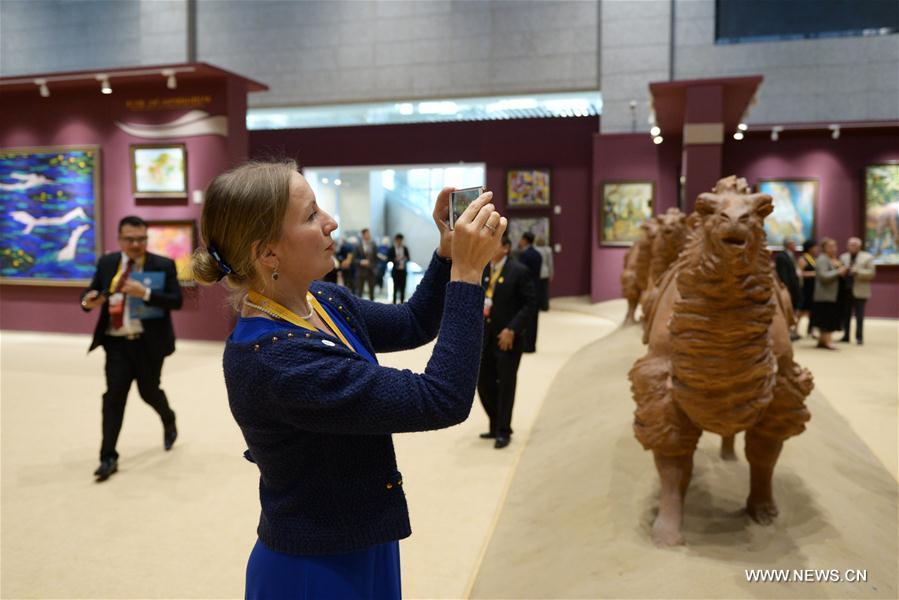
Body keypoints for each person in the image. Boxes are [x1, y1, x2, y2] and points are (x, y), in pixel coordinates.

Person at [190, 160, 505, 599]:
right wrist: (468, 276)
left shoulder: (322, 300)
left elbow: (414, 321)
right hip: (315, 567)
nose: (331, 222)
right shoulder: (277, 363)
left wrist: (448, 254)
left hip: (360, 539)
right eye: (311, 214)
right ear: (267, 253)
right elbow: (441, 398)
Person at [80, 215, 182, 481]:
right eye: (130, 239)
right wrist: (88, 301)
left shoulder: (162, 264)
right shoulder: (107, 263)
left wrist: (145, 293)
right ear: (119, 239)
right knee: (114, 398)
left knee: (149, 392)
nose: (136, 244)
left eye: (141, 239)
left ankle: (168, 418)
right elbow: (92, 292)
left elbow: (176, 301)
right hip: (116, 343)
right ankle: (108, 457)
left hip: (149, 344)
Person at [477, 235, 537, 449]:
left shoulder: (519, 271)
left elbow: (530, 304)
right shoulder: (484, 270)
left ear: (505, 248)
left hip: (507, 339)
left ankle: (503, 430)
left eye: (494, 244)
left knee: (505, 384)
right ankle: (494, 423)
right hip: (484, 337)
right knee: (483, 383)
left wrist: (512, 329)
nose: (489, 247)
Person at [839, 237, 877, 345]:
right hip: (846, 290)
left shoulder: (867, 257)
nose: (852, 247)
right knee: (846, 315)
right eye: (850, 245)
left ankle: (859, 337)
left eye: (854, 245)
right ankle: (846, 336)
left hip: (860, 290)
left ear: (859, 246)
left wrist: (857, 271)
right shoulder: (843, 257)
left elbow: (871, 273)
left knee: (859, 316)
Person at [812, 237, 848, 350]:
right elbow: (823, 276)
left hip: (831, 294)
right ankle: (827, 341)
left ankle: (822, 340)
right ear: (824, 248)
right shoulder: (822, 259)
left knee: (828, 318)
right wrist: (839, 271)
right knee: (826, 319)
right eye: (831, 246)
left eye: (835, 246)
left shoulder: (832, 259)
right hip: (825, 295)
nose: (834, 249)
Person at [516, 231, 542, 352]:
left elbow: (521, 274)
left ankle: (526, 345)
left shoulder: (525, 255)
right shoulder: (537, 254)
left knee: (527, 318)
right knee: (534, 318)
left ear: (525, 240)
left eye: (521, 239)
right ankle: (532, 344)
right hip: (537, 288)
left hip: (526, 289)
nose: (520, 241)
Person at [774, 238, 802, 341]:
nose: (795, 245)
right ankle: (787, 333)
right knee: (787, 311)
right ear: (788, 244)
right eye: (793, 243)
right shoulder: (781, 256)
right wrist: (786, 289)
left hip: (794, 288)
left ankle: (791, 331)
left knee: (794, 310)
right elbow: (783, 275)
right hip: (788, 289)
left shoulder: (791, 256)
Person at [797, 239, 819, 338]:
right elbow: (799, 274)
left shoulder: (813, 259)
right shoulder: (803, 259)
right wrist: (813, 274)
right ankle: (795, 329)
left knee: (813, 310)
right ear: (809, 248)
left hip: (814, 288)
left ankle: (811, 330)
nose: (817, 249)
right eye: (815, 247)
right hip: (806, 288)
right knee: (803, 310)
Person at [354, 228, 379, 300]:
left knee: (372, 293)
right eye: (367, 233)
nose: (369, 235)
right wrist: (361, 262)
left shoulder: (373, 245)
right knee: (359, 293)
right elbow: (354, 260)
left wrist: (375, 267)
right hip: (361, 271)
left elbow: (376, 258)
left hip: (371, 271)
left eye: (369, 233)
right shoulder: (358, 246)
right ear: (363, 235)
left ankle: (372, 309)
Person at [387, 233, 411, 304]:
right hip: (395, 271)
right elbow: (388, 259)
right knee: (395, 288)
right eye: (398, 240)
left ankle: (402, 303)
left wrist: (404, 259)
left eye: (401, 240)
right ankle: (394, 303)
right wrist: (395, 259)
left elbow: (408, 258)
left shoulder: (405, 248)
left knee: (403, 288)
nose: (400, 241)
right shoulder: (392, 249)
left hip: (403, 271)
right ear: (396, 240)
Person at [534, 235, 553, 312]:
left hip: (537, 272)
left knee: (537, 290)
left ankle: (537, 306)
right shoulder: (548, 250)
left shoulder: (535, 249)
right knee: (544, 290)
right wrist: (551, 273)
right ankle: (545, 306)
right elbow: (550, 263)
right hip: (545, 272)